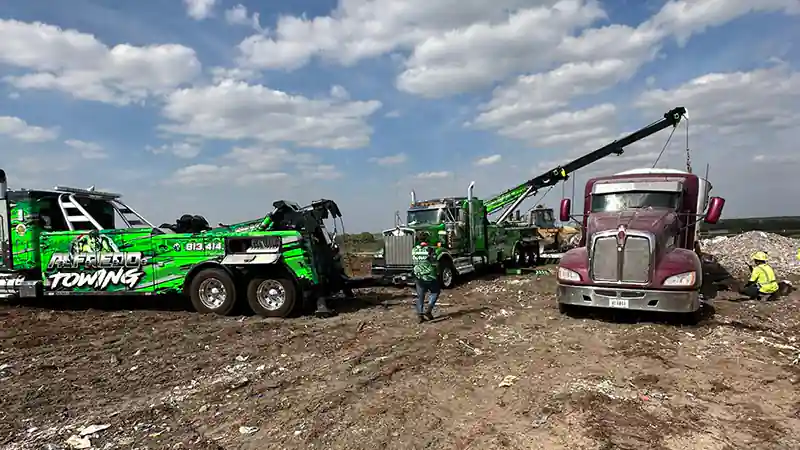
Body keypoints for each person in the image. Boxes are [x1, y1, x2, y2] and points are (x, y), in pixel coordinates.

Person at [412, 237, 440, 323]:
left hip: (419, 276)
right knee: (435, 292)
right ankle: (428, 310)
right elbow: (434, 262)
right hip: (430, 276)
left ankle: (420, 315)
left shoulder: (414, 250)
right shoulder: (430, 249)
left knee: (420, 296)